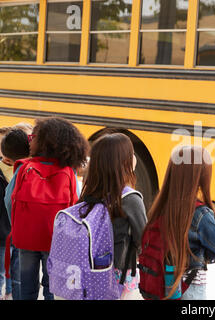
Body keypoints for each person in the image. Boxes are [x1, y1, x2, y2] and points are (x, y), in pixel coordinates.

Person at [4, 117, 89, 300]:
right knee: (53, 288)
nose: (30, 140)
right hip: (56, 241)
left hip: (26, 239)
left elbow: (9, 200)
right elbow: (75, 207)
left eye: (33, 137)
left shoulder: (25, 167)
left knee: (26, 286)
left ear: (43, 142)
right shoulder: (68, 171)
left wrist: (18, 226)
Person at [144, 146, 215, 300]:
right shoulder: (201, 214)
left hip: (161, 281)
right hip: (191, 287)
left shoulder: (160, 207)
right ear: (201, 178)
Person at [78, 133, 147, 300]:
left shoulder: (89, 192)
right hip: (119, 276)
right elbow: (144, 240)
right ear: (124, 162)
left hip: (90, 272)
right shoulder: (130, 198)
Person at [0, 129, 30, 300]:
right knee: (6, 276)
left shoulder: (25, 171)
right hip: (7, 236)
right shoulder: (26, 171)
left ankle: (10, 293)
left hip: (18, 236)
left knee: (16, 278)